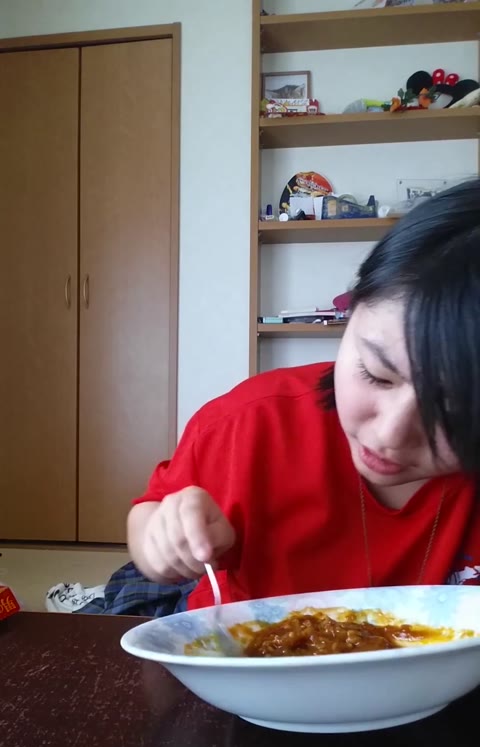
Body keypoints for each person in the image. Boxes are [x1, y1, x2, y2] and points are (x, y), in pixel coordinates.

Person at [128, 178, 480, 610]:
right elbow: (147, 515)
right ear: (350, 314)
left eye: (452, 411)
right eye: (376, 374)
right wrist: (163, 542)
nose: (390, 433)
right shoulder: (252, 423)